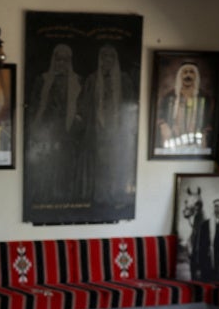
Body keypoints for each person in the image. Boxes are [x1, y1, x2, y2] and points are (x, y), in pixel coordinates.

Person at [76, 43, 137, 207]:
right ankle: (99, 197)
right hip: (97, 130)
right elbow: (82, 104)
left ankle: (115, 195)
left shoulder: (124, 80)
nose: (107, 60)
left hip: (117, 131)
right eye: (104, 57)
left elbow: (131, 106)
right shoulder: (92, 79)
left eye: (111, 57)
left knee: (115, 165)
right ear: (100, 59)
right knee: (98, 165)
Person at [27, 43, 82, 204]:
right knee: (46, 167)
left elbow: (82, 106)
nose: (61, 64)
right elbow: (34, 106)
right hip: (46, 131)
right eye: (58, 60)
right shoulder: (42, 80)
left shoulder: (77, 81)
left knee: (65, 167)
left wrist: (78, 118)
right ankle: (45, 197)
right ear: (54, 60)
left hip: (68, 133)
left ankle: (63, 197)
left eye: (65, 60)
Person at [156, 62, 214, 153]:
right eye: (185, 72)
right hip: (173, 139)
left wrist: (205, 133)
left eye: (191, 72)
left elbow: (210, 120)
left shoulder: (204, 97)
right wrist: (163, 125)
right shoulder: (169, 96)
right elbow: (160, 115)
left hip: (197, 140)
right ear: (180, 75)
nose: (188, 75)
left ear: (195, 76)